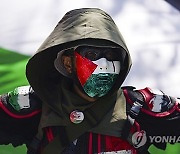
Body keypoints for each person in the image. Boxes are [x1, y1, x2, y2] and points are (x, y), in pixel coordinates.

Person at [0, 8, 179, 154]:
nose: (104, 64)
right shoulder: (33, 105)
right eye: (92, 55)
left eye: (111, 56)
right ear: (68, 62)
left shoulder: (142, 107)